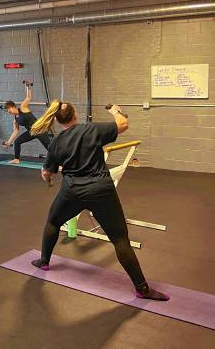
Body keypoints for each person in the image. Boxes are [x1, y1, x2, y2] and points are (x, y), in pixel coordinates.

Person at [28, 100, 169, 301]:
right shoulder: (91, 130)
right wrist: (115, 111)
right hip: (100, 190)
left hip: (72, 192)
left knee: (52, 222)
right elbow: (123, 124)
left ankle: (44, 261)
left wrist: (49, 179)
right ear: (74, 114)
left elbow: (46, 172)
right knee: (120, 239)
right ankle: (142, 289)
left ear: (58, 121)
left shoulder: (56, 143)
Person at [1, 82, 50, 164]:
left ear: (13, 106)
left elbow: (28, 97)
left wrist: (28, 87)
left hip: (39, 130)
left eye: (9, 109)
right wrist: (9, 142)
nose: (8, 111)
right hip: (32, 132)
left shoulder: (22, 107)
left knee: (50, 148)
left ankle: (61, 164)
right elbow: (15, 131)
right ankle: (16, 159)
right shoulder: (15, 120)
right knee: (17, 142)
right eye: (7, 110)